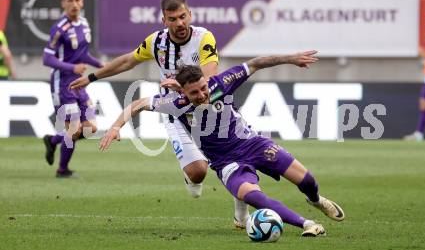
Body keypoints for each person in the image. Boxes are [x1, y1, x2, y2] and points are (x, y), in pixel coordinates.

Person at [100, 50, 346, 237]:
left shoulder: (221, 83)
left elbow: (256, 63)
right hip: (226, 163)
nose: (202, 95)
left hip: (253, 144)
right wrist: (115, 127)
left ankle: (316, 201)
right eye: (194, 93)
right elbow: (138, 104)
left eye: (203, 88)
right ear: (183, 93)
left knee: (307, 181)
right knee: (253, 196)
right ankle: (308, 224)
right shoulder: (175, 105)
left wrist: (290, 58)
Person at [69, 0, 249, 227]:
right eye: (173, 18)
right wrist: (92, 77)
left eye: (183, 17)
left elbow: (211, 76)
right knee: (197, 173)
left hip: (208, 107)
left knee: (236, 157)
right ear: (164, 20)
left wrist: (184, 87)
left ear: (190, 15)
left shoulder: (204, 38)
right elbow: (127, 61)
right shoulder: (156, 42)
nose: (180, 23)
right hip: (176, 113)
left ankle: (241, 215)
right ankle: (191, 173)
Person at [42, 0, 103, 177]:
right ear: (63, 4)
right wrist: (72, 68)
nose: (74, 4)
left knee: (90, 128)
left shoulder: (84, 24)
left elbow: (82, 53)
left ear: (82, 1)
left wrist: (102, 66)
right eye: (70, 1)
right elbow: (47, 58)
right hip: (63, 84)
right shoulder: (59, 28)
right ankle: (62, 170)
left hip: (80, 83)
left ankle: (53, 141)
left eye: (77, 0)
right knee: (74, 129)